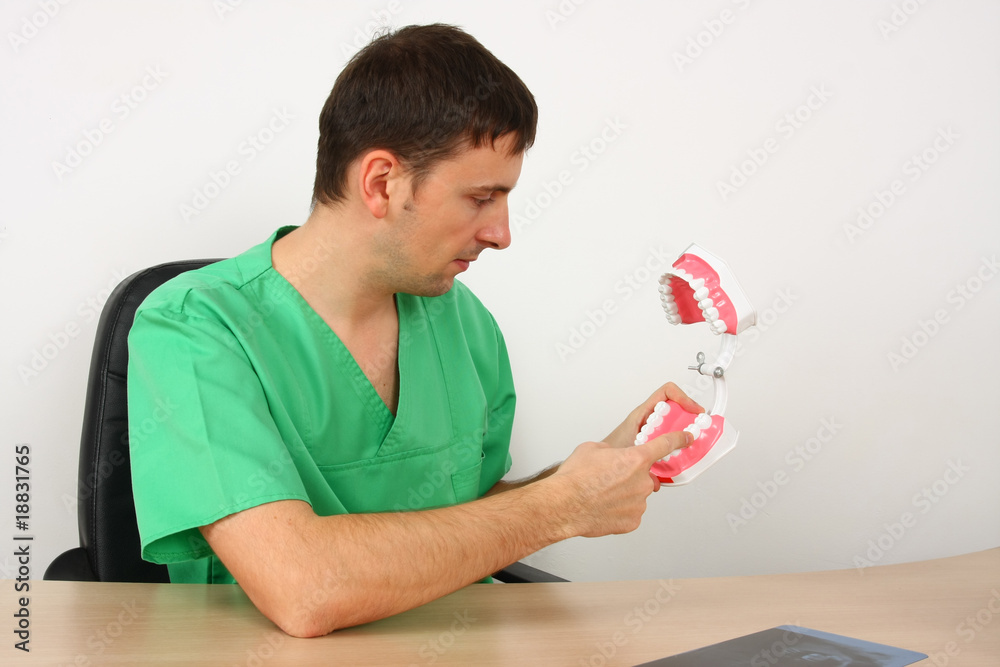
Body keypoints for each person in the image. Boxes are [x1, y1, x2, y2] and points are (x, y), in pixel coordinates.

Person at [127, 23, 702, 638]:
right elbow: (300, 589)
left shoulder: (465, 324)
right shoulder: (193, 330)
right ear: (381, 183)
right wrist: (560, 508)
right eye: (482, 197)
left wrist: (587, 477)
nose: (502, 233)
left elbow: (471, 523)